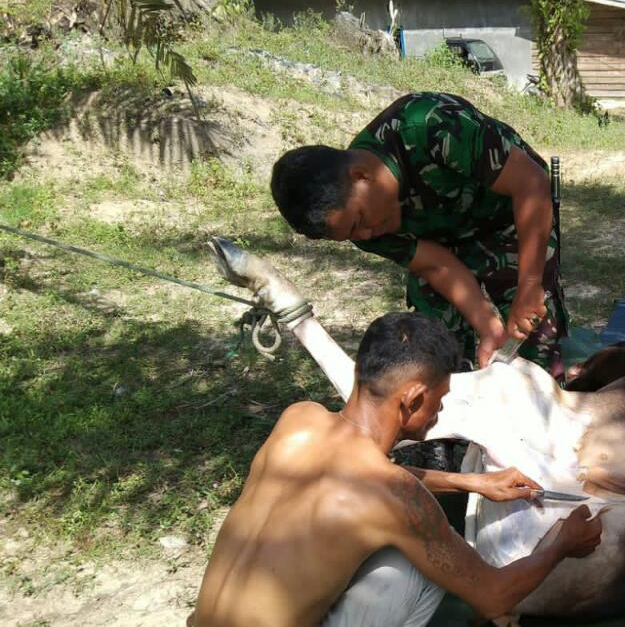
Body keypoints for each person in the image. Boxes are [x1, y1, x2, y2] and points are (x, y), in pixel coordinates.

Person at [189, 312, 603, 627]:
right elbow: (494, 596)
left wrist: (471, 481)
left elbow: (358, 481)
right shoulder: (396, 498)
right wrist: (561, 542)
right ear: (412, 400)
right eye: (439, 400)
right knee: (415, 569)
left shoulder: (298, 420)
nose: (440, 411)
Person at [270, 92, 567, 379]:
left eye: (360, 221)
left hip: (510, 217)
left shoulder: (428, 126)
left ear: (360, 175)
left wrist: (529, 285)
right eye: (351, 234)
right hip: (440, 237)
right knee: (435, 347)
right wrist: (489, 328)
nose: (366, 235)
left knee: (533, 338)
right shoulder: (356, 225)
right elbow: (437, 265)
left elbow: (531, 184)